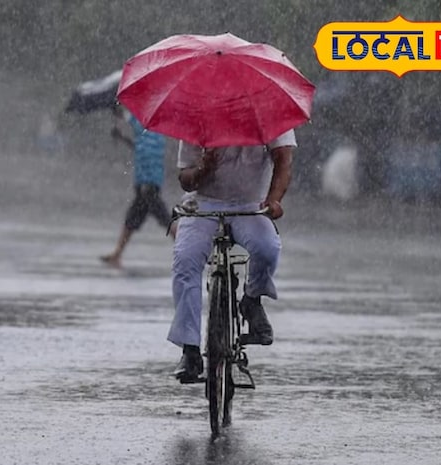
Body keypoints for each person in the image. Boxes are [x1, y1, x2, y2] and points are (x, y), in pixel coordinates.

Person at [170, 130, 296, 383]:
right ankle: (190, 349)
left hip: (250, 205)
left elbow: (283, 159)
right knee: (185, 261)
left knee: (267, 249)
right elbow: (185, 178)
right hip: (204, 203)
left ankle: (252, 299)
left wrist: (274, 200)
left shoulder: (268, 112)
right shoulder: (199, 115)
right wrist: (202, 170)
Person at [100, 106, 174, 268]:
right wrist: (121, 137)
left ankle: (187, 252)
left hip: (148, 185)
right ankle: (117, 254)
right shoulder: (154, 134)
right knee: (132, 220)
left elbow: (132, 124)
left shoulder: (146, 125)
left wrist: (119, 114)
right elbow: (139, 148)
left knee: (165, 219)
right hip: (146, 184)